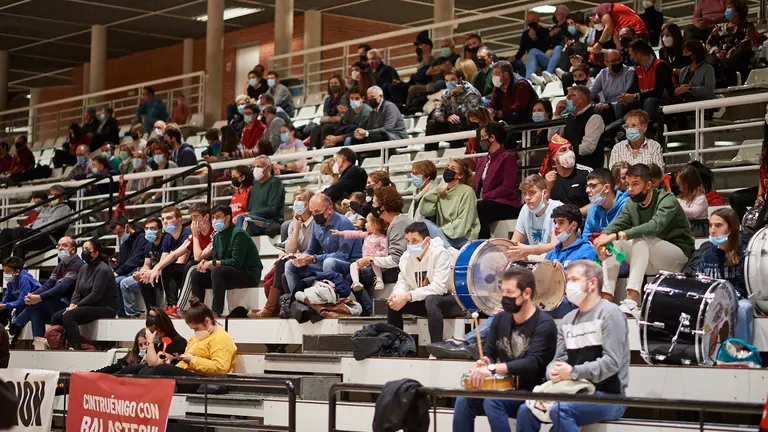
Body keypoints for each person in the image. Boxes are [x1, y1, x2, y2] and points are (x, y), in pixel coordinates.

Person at [515, 260, 630, 432]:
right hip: (571, 391)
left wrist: (573, 372)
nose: (568, 285)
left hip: (608, 397)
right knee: (526, 410)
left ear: (592, 284)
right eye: (568, 280)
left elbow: (612, 363)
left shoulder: (611, 314)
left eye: (574, 279)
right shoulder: (568, 320)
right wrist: (552, 371)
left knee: (561, 411)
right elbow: (558, 359)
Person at [452, 265, 557, 432]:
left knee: (493, 402)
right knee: (464, 399)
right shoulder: (500, 319)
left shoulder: (544, 324)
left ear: (527, 293)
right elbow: (490, 352)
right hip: (502, 387)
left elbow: (533, 363)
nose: (504, 297)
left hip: (532, 391)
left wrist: (492, 368)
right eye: (503, 292)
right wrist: (486, 361)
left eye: (510, 293)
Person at [594, 164, 693, 316]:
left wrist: (617, 235)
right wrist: (603, 239)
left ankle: (632, 301)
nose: (630, 189)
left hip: (677, 256)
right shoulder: (631, 203)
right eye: (627, 184)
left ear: (648, 185)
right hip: (648, 257)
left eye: (635, 184)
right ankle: (606, 300)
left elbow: (654, 226)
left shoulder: (667, 199)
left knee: (639, 239)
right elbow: (617, 224)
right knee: (613, 243)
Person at [386, 222, 463, 343]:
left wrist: (408, 296)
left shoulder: (440, 253)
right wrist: (398, 295)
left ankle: (436, 347)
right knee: (393, 303)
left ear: (427, 241)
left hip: (449, 300)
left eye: (415, 241)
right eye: (408, 241)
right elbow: (403, 281)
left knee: (431, 299)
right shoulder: (406, 257)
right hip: (425, 301)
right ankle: (397, 346)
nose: (410, 245)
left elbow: (439, 288)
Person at [138, 298, 236, 392]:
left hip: (206, 380)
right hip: (189, 374)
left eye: (196, 328)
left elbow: (220, 368)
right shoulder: (195, 338)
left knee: (162, 369)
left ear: (207, 322)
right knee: (140, 370)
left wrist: (192, 360)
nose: (195, 332)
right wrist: (178, 365)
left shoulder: (221, 338)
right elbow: (184, 364)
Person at [251, 188, 315, 318]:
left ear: (309, 204)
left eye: (300, 199)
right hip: (295, 261)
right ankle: (277, 307)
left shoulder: (315, 223)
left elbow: (313, 249)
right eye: (295, 200)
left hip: (311, 260)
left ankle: (270, 308)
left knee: (282, 264)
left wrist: (295, 255)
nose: (296, 202)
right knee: (282, 264)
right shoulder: (292, 225)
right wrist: (297, 227)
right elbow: (290, 249)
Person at [191, 205, 262, 317]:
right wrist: (205, 263)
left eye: (218, 217)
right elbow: (216, 258)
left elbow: (237, 262)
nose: (215, 220)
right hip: (227, 274)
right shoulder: (217, 236)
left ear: (227, 218)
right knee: (196, 274)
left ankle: (216, 311)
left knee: (217, 271)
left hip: (248, 274)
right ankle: (196, 311)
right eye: (213, 217)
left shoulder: (238, 233)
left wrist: (213, 264)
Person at [284, 193, 363, 295]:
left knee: (329, 262)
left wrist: (314, 259)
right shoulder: (316, 224)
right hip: (326, 262)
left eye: (317, 211)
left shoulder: (343, 223)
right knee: (290, 265)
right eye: (312, 213)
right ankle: (298, 300)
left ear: (329, 209)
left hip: (350, 263)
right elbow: (311, 250)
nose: (315, 216)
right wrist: (301, 257)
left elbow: (343, 255)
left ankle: (333, 302)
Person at [695, 208, 753, 343]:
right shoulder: (707, 254)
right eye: (710, 225)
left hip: (738, 300)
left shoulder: (744, 252)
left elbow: (744, 288)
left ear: (731, 228)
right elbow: (700, 282)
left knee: (743, 309)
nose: (712, 230)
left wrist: (724, 301)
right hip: (714, 301)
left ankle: (740, 354)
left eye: (718, 225)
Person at [50, 239, 117, 350]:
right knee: (57, 316)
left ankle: (75, 346)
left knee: (69, 315)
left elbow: (96, 295)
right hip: (87, 305)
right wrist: (72, 304)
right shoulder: (83, 268)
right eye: (83, 249)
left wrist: (77, 306)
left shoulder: (103, 269)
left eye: (87, 250)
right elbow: (77, 291)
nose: (84, 252)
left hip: (104, 306)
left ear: (95, 253)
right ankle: (61, 344)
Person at [544, 204, 598, 317]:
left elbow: (583, 285)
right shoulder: (552, 253)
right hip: (549, 298)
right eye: (555, 222)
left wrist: (562, 274)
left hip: (573, 302)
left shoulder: (586, 250)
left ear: (573, 225)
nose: (556, 227)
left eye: (561, 222)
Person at [474, 122, 522, 239]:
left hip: (506, 203)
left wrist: (485, 196)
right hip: (485, 201)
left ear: (492, 137)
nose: (480, 140)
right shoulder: (482, 160)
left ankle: (483, 244)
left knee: (481, 207)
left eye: (482, 137)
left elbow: (507, 187)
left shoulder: (507, 158)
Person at [0, 185, 71, 261]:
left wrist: (31, 230)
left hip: (48, 237)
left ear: (63, 196)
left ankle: (16, 263)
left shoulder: (64, 209)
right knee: (6, 232)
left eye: (56, 195)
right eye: (51, 194)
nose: (52, 196)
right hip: (36, 233)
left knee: (19, 231)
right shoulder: (47, 207)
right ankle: (5, 261)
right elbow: (31, 210)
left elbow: (51, 226)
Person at [140, 207, 191, 312]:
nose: (165, 222)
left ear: (179, 220)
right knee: (146, 279)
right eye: (163, 219)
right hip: (174, 271)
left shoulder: (186, 234)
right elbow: (163, 260)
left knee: (168, 268)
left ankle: (172, 306)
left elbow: (181, 261)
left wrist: (158, 268)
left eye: (169, 218)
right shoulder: (168, 237)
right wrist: (152, 271)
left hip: (187, 270)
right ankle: (151, 311)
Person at [420, 158, 480, 249]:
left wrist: (438, 232)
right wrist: (436, 193)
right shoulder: (441, 191)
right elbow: (425, 211)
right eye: (447, 167)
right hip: (443, 236)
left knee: (430, 239)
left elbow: (462, 223)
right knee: (423, 224)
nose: (448, 170)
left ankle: (448, 250)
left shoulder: (467, 192)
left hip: (463, 237)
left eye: (452, 168)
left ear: (459, 175)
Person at [507, 174, 562, 260]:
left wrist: (526, 249)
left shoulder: (558, 209)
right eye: (525, 194)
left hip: (557, 259)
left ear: (545, 193)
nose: (527, 198)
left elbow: (555, 246)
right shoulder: (525, 209)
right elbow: (514, 243)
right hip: (535, 259)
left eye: (532, 192)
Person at [621, 40, 675, 125]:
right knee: (621, 104)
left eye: (631, 55)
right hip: (644, 100)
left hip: (663, 103)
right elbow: (633, 88)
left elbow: (658, 92)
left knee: (649, 101)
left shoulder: (660, 65)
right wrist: (625, 97)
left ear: (638, 55)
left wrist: (635, 96)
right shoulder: (638, 69)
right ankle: (622, 130)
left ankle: (649, 130)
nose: (630, 58)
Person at [426, 68, 482, 149]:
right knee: (432, 124)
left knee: (454, 121)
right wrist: (446, 118)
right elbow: (437, 112)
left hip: (471, 124)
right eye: (447, 80)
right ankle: (428, 156)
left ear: (459, 80)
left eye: (452, 80)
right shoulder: (447, 93)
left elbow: (468, 114)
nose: (449, 83)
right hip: (454, 126)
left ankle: (456, 153)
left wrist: (453, 97)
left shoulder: (471, 92)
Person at [553, 86, 605, 170]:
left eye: (570, 96)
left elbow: (588, 147)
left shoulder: (594, 117)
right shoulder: (568, 117)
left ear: (580, 98)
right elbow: (552, 138)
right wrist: (557, 114)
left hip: (588, 168)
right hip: (568, 167)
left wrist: (565, 152)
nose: (566, 99)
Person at [120, 218, 163, 318]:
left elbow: (164, 263)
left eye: (152, 228)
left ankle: (156, 310)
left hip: (163, 273)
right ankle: (149, 312)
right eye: (146, 229)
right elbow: (146, 264)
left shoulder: (165, 240)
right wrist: (141, 273)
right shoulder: (148, 245)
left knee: (147, 277)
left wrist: (149, 273)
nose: (149, 231)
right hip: (151, 274)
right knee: (132, 281)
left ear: (160, 230)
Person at [333, 214, 387, 292]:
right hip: (364, 262)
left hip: (373, 261)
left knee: (374, 261)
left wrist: (375, 255)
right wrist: (340, 233)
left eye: (367, 222)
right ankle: (356, 282)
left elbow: (385, 251)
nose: (365, 224)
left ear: (375, 225)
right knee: (353, 265)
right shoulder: (367, 235)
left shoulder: (382, 238)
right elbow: (354, 234)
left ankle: (379, 279)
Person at [706, 0, 753, 87]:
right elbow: (709, 42)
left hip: (737, 53)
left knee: (739, 56)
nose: (727, 10)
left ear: (738, 12)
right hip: (720, 54)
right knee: (710, 59)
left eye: (730, 8)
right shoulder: (719, 27)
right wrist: (717, 52)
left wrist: (731, 52)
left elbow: (747, 41)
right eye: (727, 8)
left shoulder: (747, 26)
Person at [110, 216, 150, 318]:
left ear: (127, 226)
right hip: (128, 272)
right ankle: (122, 315)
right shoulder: (124, 244)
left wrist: (118, 271)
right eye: (116, 234)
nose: (119, 236)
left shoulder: (142, 237)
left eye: (119, 232)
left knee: (122, 282)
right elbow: (124, 262)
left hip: (138, 271)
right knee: (115, 282)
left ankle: (132, 315)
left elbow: (135, 260)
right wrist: (116, 266)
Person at [235, 156, 285, 236]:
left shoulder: (275, 183)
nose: (256, 169)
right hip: (255, 220)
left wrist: (249, 214)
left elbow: (272, 209)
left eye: (259, 166)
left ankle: (236, 247)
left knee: (244, 219)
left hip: (270, 221)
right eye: (254, 167)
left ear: (268, 168)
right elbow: (250, 209)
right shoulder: (255, 186)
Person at [543, 136, 592, 215]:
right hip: (558, 224)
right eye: (563, 150)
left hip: (583, 222)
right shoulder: (549, 179)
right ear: (554, 157)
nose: (569, 153)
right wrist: (548, 187)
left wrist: (575, 215)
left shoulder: (586, 173)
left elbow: (597, 202)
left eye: (570, 149)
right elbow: (543, 209)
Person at [582, 168, 630, 246]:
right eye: (587, 186)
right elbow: (586, 241)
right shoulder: (591, 211)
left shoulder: (627, 206)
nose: (587, 190)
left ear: (607, 188)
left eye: (592, 186)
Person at [590, 50, 638, 123]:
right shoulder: (603, 73)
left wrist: (610, 105)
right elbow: (592, 92)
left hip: (624, 108)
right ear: (606, 63)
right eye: (614, 61)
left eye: (619, 59)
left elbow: (625, 97)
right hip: (606, 109)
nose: (618, 62)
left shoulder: (629, 71)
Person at [489, 61, 536, 125]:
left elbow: (519, 107)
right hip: (505, 115)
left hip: (523, 117)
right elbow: (493, 103)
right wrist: (490, 110)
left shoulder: (521, 84)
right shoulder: (498, 86)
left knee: (513, 116)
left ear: (505, 74)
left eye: (496, 74)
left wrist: (502, 112)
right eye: (493, 74)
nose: (494, 77)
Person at [0, 257, 40, 329]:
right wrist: (1, 305)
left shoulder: (24, 278)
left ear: (17, 272)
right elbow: (7, 296)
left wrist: (4, 305)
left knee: (14, 325)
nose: (5, 274)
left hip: (38, 304)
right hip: (26, 304)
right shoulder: (11, 281)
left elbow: (22, 301)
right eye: (4, 271)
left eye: (8, 271)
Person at [512, 12, 551, 79]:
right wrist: (514, 58)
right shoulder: (525, 34)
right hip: (527, 59)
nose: (530, 23)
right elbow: (522, 50)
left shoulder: (545, 31)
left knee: (526, 56)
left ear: (538, 20)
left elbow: (545, 47)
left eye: (532, 21)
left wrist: (534, 38)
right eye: (528, 21)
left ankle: (531, 78)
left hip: (540, 56)